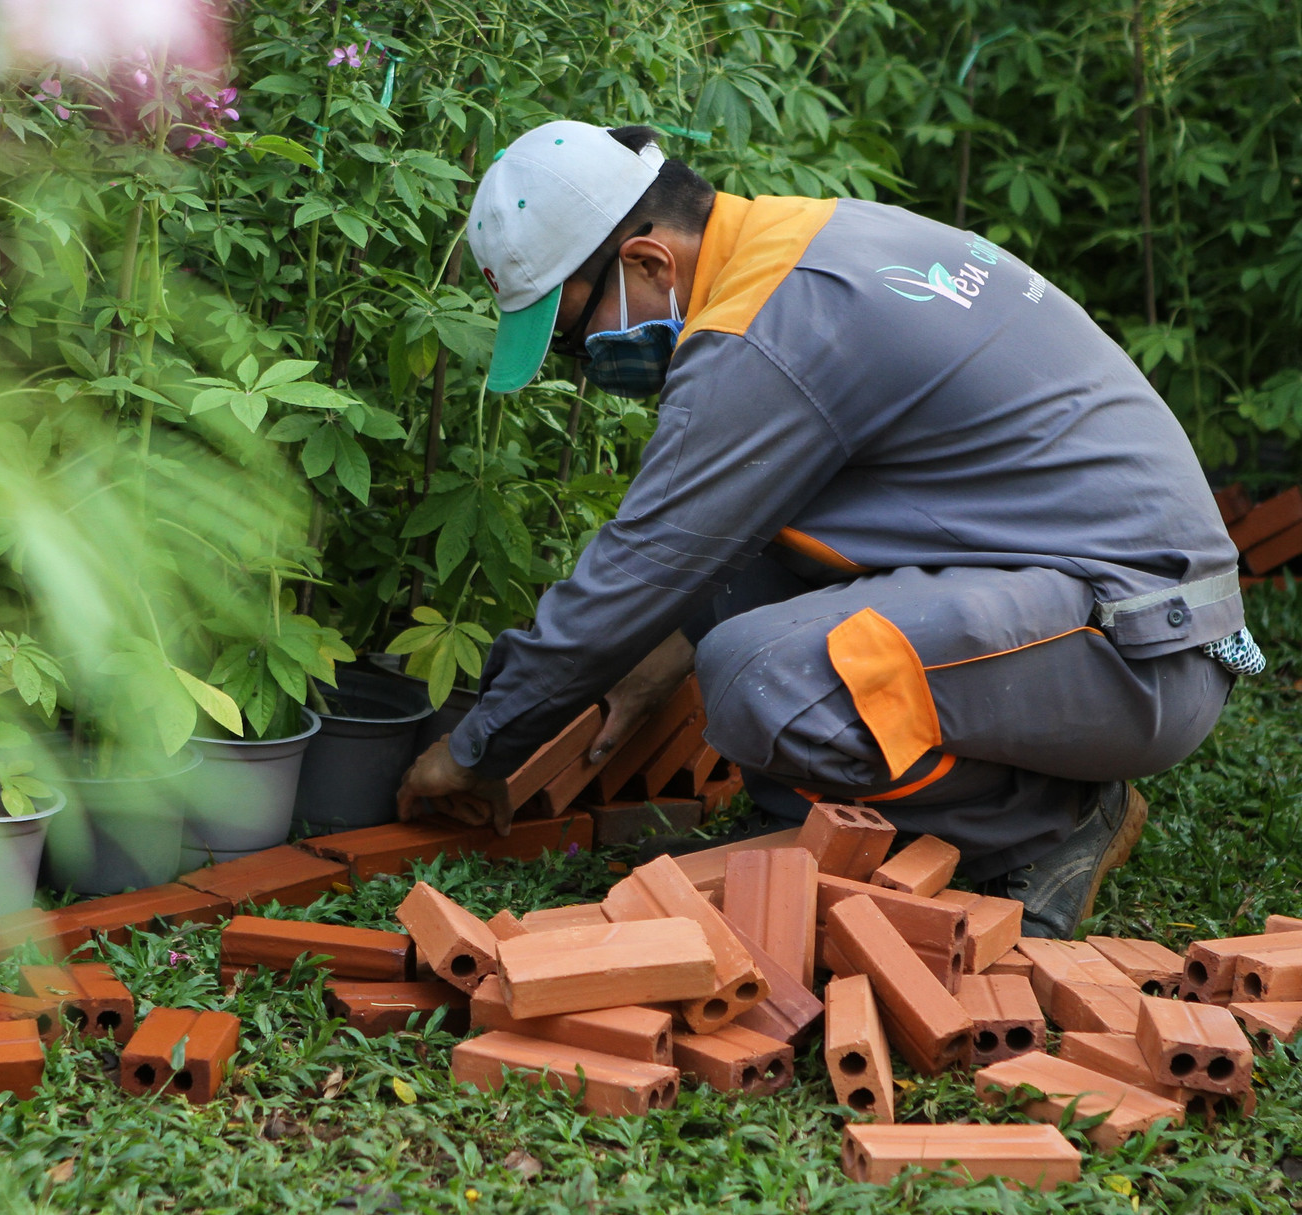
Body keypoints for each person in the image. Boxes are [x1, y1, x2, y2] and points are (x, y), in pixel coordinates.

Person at [395, 120, 1262, 938]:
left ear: (649, 260)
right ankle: (806, 824)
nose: (584, 369)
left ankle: (1049, 818)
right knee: (735, 578)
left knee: (761, 677)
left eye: (579, 339)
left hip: (1137, 646)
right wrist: (648, 662)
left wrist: (474, 749)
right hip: (1097, 606)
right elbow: (700, 542)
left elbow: (641, 564)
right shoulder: (805, 242)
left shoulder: (763, 332)